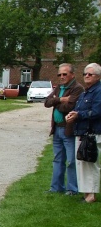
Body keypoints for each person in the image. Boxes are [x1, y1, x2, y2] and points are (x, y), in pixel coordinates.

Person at [44, 63, 84, 196]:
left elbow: (69, 107)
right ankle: (56, 187)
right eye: (59, 74)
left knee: (71, 160)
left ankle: (72, 189)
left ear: (72, 74)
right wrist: (60, 99)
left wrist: (55, 103)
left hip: (69, 130)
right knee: (58, 159)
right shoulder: (59, 88)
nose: (61, 77)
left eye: (64, 74)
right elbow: (46, 103)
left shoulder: (77, 89)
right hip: (57, 129)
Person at [66, 63, 101, 203]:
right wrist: (71, 115)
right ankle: (87, 193)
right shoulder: (86, 91)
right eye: (85, 73)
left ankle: (91, 194)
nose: (86, 76)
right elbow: (78, 109)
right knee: (82, 162)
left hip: (92, 133)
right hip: (82, 132)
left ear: (97, 77)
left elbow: (97, 111)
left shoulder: (98, 91)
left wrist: (78, 115)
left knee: (90, 162)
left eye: (90, 74)